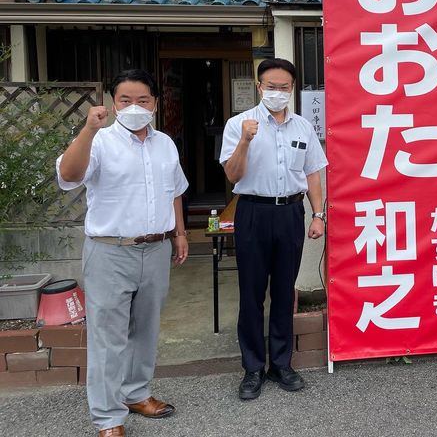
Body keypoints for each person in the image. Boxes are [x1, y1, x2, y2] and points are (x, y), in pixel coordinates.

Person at [56, 69, 189, 437]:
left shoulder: (165, 143)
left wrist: (179, 233)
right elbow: (68, 175)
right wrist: (87, 130)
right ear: (113, 103)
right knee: (108, 337)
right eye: (125, 100)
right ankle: (107, 417)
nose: (134, 107)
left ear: (155, 104)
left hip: (156, 247)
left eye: (143, 100)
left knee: (145, 330)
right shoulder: (99, 141)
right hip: (109, 251)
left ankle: (136, 393)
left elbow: (175, 190)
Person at [220, 58, 327, 400]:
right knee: (251, 293)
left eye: (284, 87)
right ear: (259, 85)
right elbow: (233, 175)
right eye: (271, 86)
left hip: (290, 213)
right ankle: (253, 368)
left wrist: (318, 214)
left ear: (292, 89)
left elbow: (312, 173)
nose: (277, 92)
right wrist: (245, 141)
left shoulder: (302, 127)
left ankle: (281, 363)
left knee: (284, 291)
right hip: (252, 212)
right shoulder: (240, 124)